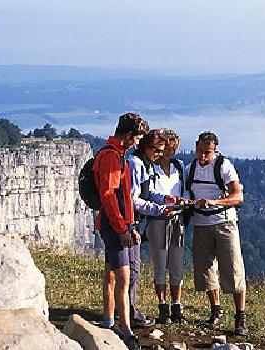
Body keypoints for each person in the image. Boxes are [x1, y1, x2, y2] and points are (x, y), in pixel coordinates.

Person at [93, 112, 149, 349]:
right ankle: (125, 329)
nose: (137, 143)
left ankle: (108, 321)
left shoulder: (118, 155)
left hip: (118, 223)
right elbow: (109, 196)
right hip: (112, 223)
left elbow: (122, 197)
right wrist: (121, 229)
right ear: (128, 135)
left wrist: (131, 225)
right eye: (136, 138)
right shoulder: (111, 157)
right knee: (124, 277)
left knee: (112, 275)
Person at [186, 131, 248, 336]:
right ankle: (216, 311)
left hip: (224, 222)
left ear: (215, 151)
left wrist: (215, 202)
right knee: (206, 269)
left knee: (232, 268)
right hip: (201, 222)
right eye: (200, 152)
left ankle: (240, 317)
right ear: (195, 147)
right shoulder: (190, 168)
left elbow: (238, 196)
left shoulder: (223, 166)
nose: (203, 157)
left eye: (208, 153)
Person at [127, 128, 176, 327]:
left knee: (132, 269)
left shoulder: (145, 164)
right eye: (156, 150)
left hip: (137, 221)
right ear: (146, 147)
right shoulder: (135, 164)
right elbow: (133, 199)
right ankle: (129, 312)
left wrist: (165, 199)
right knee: (132, 269)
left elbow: (149, 191)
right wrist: (158, 210)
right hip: (130, 221)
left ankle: (126, 308)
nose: (159, 155)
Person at [147, 129, 188, 324]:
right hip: (158, 219)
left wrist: (184, 203)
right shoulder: (150, 168)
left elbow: (186, 189)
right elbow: (148, 193)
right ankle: (162, 305)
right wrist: (164, 203)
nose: (170, 154)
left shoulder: (179, 166)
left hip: (177, 218)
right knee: (160, 264)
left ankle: (176, 305)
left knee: (177, 264)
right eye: (167, 149)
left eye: (173, 150)